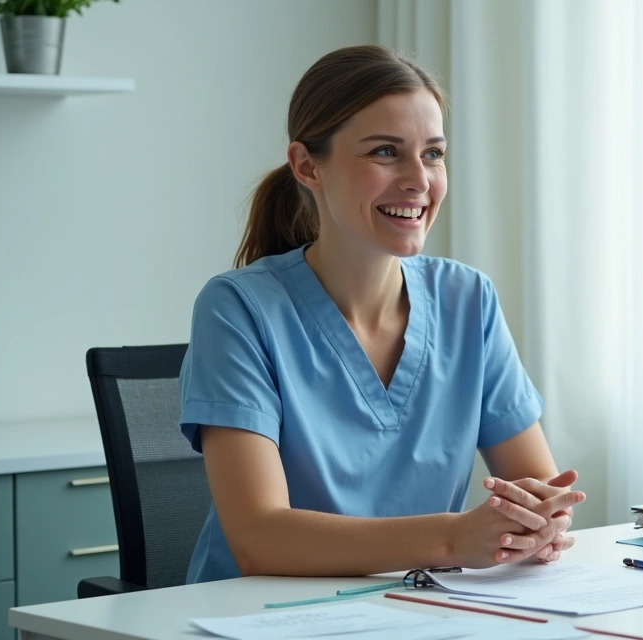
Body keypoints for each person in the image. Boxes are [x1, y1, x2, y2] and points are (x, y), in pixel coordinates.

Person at [177, 45, 584, 583]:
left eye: (434, 154)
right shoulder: (238, 309)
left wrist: (537, 521)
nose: (419, 179)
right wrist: (455, 537)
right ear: (306, 166)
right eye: (385, 152)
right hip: (258, 617)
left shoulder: (468, 299)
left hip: (416, 610)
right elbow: (259, 537)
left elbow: (538, 484)